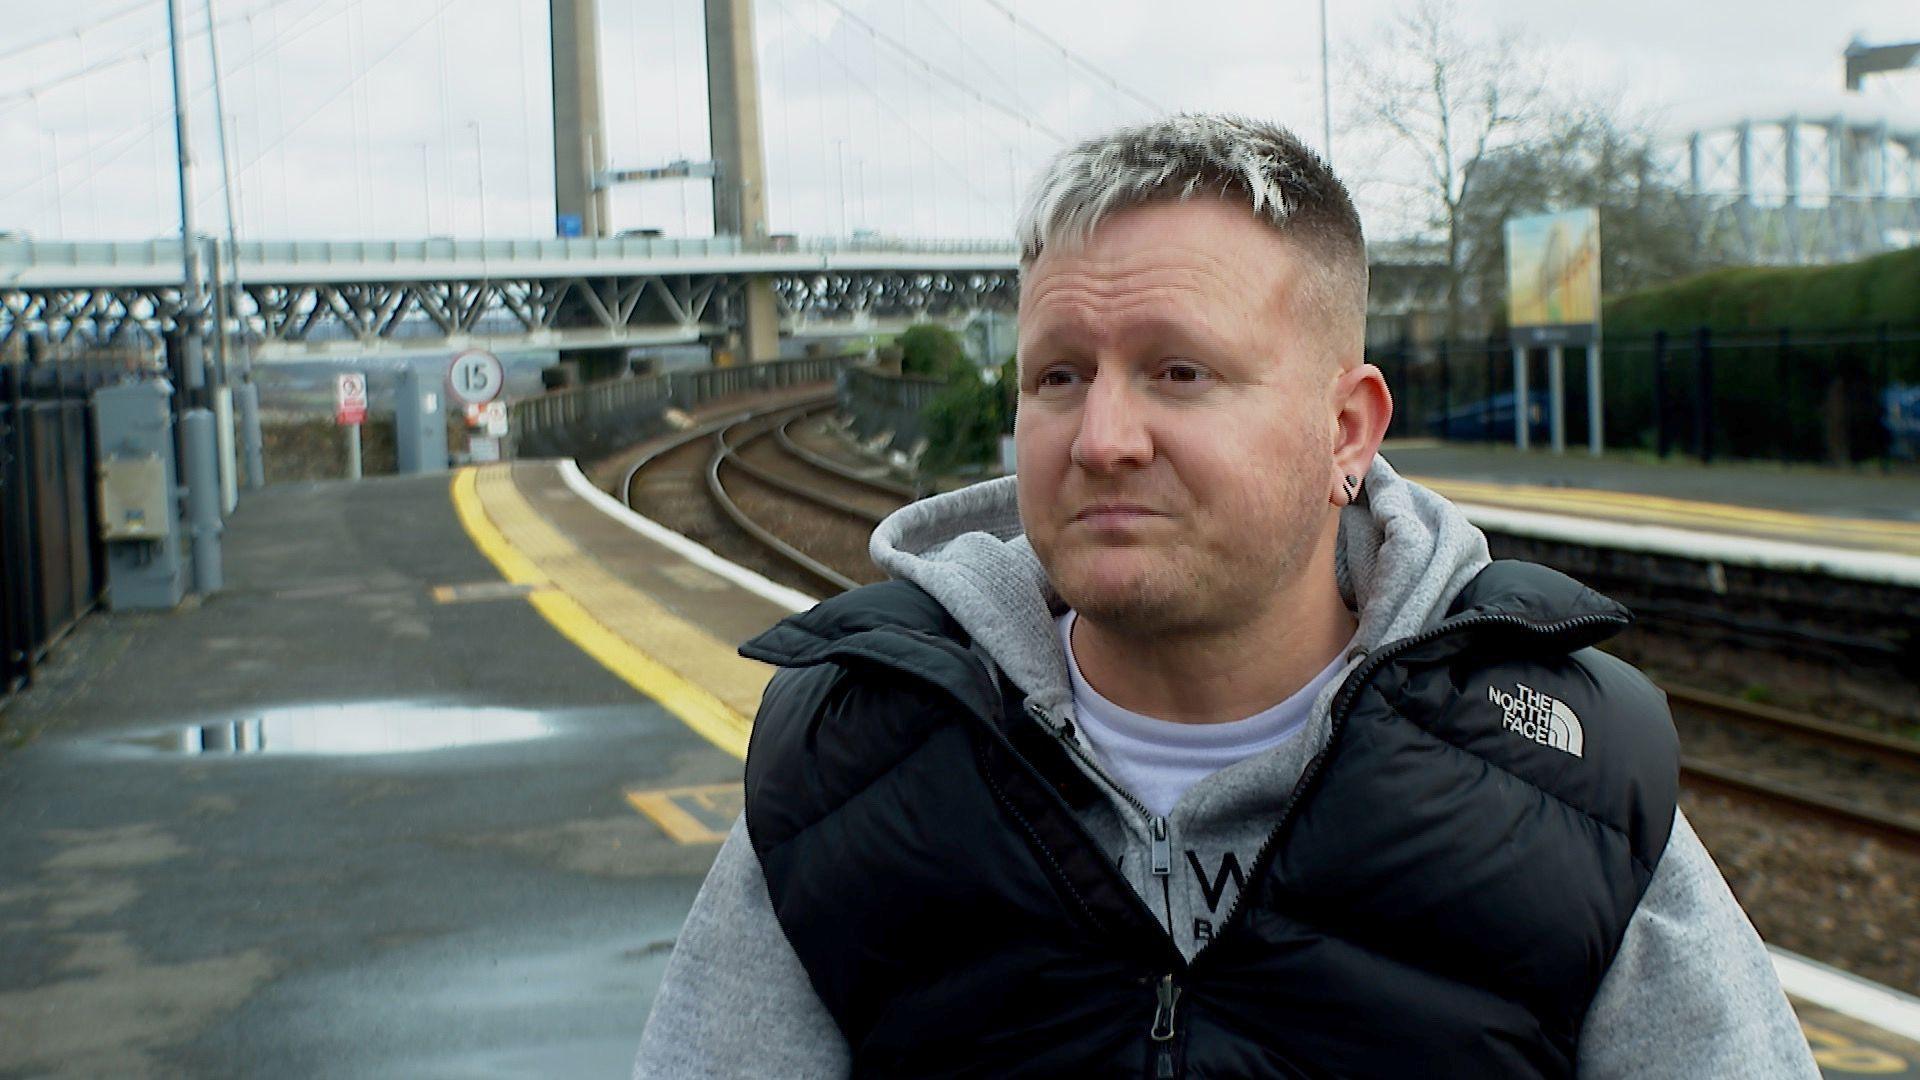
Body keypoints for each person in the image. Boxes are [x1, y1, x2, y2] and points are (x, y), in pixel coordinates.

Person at [635, 114, 1817, 1078]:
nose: (1101, 436)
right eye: (1059, 375)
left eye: (1178, 372)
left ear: (1346, 427)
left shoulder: (1570, 781)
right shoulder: (847, 767)